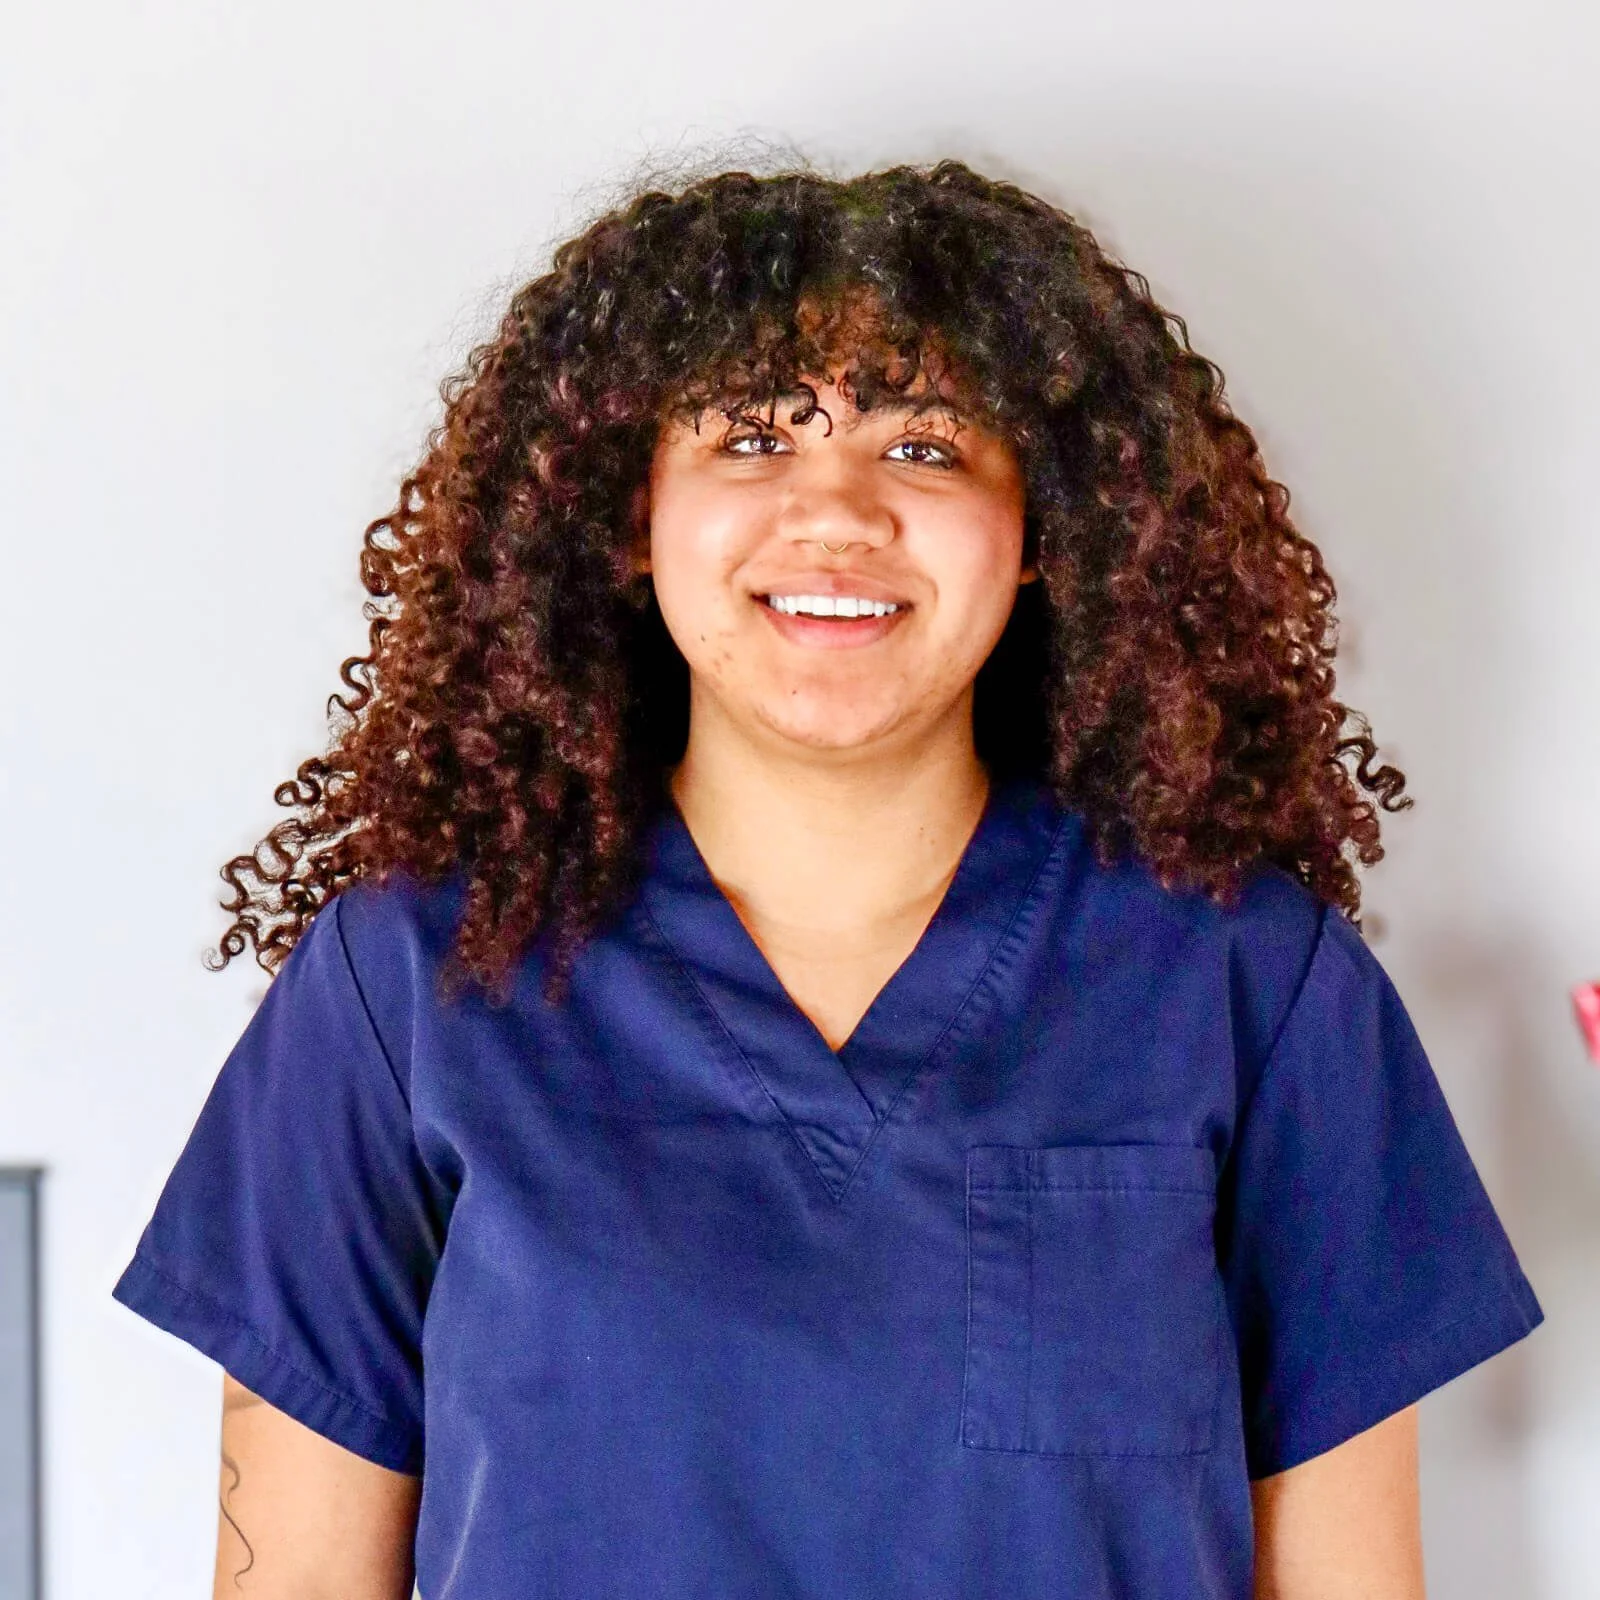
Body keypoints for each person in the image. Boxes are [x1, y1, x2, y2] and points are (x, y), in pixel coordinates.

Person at [111, 157, 1543, 1599]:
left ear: (1045, 527)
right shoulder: (407, 985)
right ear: (628, 513)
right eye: (751, 438)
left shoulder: (1253, 985)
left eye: (925, 448)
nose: (838, 512)